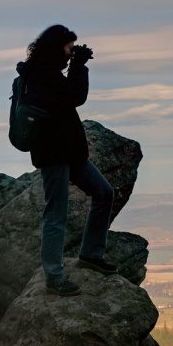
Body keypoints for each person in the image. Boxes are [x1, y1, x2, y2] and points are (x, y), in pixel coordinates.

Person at [15, 25, 118, 296]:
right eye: (69, 47)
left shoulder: (48, 72)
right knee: (56, 215)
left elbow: (68, 96)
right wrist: (79, 65)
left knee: (104, 192)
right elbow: (75, 96)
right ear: (55, 46)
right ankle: (54, 277)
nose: (72, 51)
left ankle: (91, 254)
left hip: (69, 152)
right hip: (53, 154)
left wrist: (75, 63)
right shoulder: (39, 74)